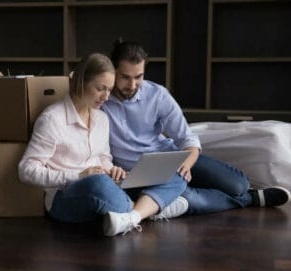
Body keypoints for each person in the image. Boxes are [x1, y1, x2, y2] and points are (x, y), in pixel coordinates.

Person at [101, 40, 291, 218]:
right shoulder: (99, 100)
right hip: (134, 173)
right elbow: (81, 79)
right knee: (188, 199)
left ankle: (241, 194)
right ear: (112, 72)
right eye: (124, 77)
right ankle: (249, 199)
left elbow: (187, 138)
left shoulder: (157, 94)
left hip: (170, 158)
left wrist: (187, 164)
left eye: (138, 77)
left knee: (238, 184)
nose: (132, 85)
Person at [18, 53, 187, 237]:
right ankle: (153, 209)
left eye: (109, 89)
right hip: (64, 197)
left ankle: (134, 215)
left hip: (105, 188)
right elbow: (26, 171)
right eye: (100, 88)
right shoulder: (52, 119)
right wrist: (78, 175)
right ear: (81, 82)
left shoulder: (101, 118)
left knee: (175, 173)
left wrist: (113, 170)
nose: (106, 97)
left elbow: (104, 159)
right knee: (97, 183)